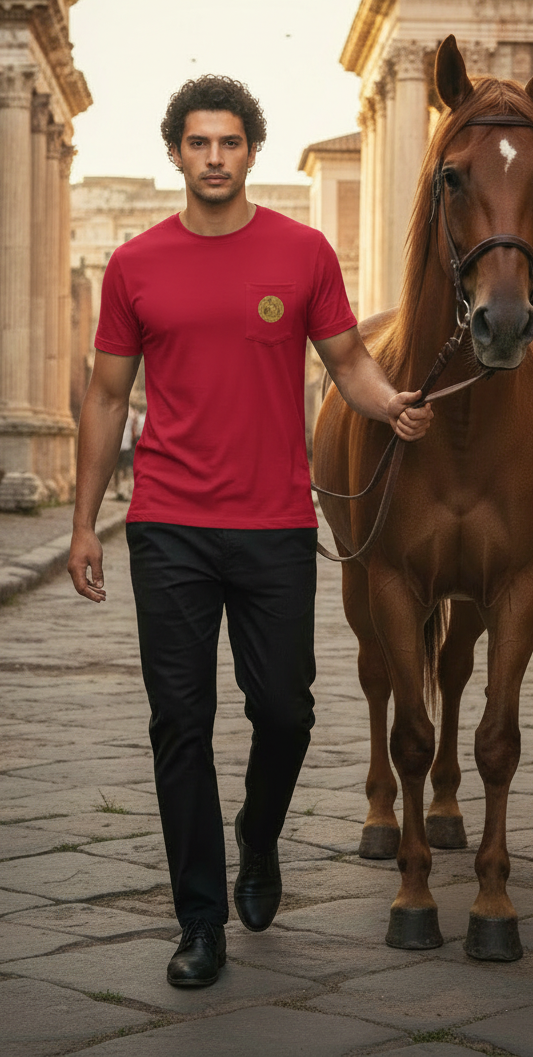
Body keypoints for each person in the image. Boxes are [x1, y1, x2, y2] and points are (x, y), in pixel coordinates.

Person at [68, 75, 432, 989]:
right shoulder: (135, 265)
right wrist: (84, 525)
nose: (215, 157)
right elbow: (107, 396)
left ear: (251, 152)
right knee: (179, 724)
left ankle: (258, 837)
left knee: (286, 711)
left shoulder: (302, 252)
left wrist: (390, 405)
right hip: (168, 526)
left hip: (274, 523)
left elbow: (347, 362)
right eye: (199, 142)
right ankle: (199, 921)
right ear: (176, 153)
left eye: (230, 142)